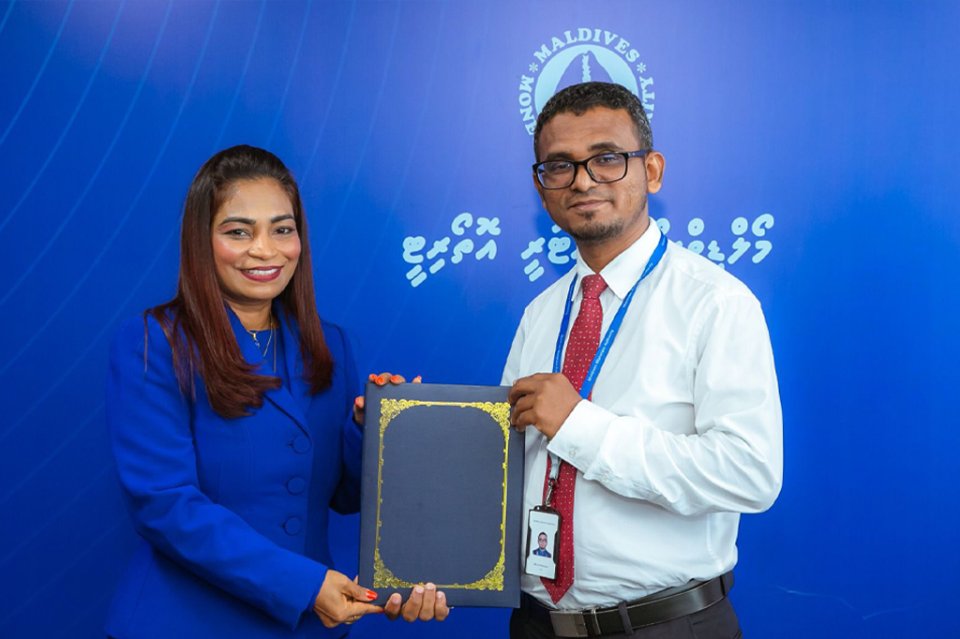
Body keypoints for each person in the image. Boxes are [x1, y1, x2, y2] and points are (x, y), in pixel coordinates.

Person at [105, 145, 448, 639]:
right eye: (238, 232)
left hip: (308, 628)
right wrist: (305, 585)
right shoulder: (155, 341)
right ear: (202, 241)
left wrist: (369, 429)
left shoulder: (330, 344)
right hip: (188, 622)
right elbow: (164, 504)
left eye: (282, 230)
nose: (265, 250)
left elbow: (344, 497)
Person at [504, 82, 782, 638]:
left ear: (652, 171)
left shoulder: (716, 302)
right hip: (536, 623)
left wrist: (581, 427)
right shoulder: (541, 313)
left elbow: (750, 473)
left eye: (607, 158)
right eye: (559, 166)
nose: (582, 181)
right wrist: (409, 431)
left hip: (665, 625)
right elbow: (509, 462)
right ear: (541, 188)